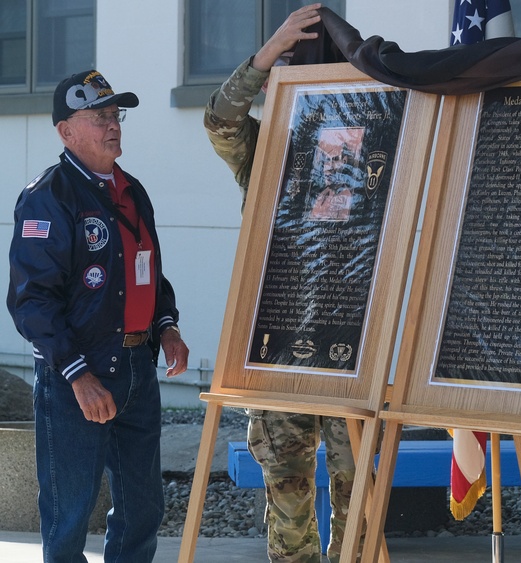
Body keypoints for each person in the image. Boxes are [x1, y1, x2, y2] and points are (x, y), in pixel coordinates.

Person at [7, 69, 190, 562]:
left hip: (137, 370)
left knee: (142, 511)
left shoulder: (133, 190)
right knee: (69, 517)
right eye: (98, 117)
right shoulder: (49, 196)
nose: (113, 125)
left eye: (116, 114)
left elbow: (149, 274)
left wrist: (166, 326)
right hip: (78, 378)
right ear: (66, 131)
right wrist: (78, 376)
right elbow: (31, 301)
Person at [203, 5, 364, 563]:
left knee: (357, 494)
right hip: (278, 347)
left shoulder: (378, 148)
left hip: (354, 348)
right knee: (289, 493)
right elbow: (220, 118)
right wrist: (265, 56)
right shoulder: (266, 150)